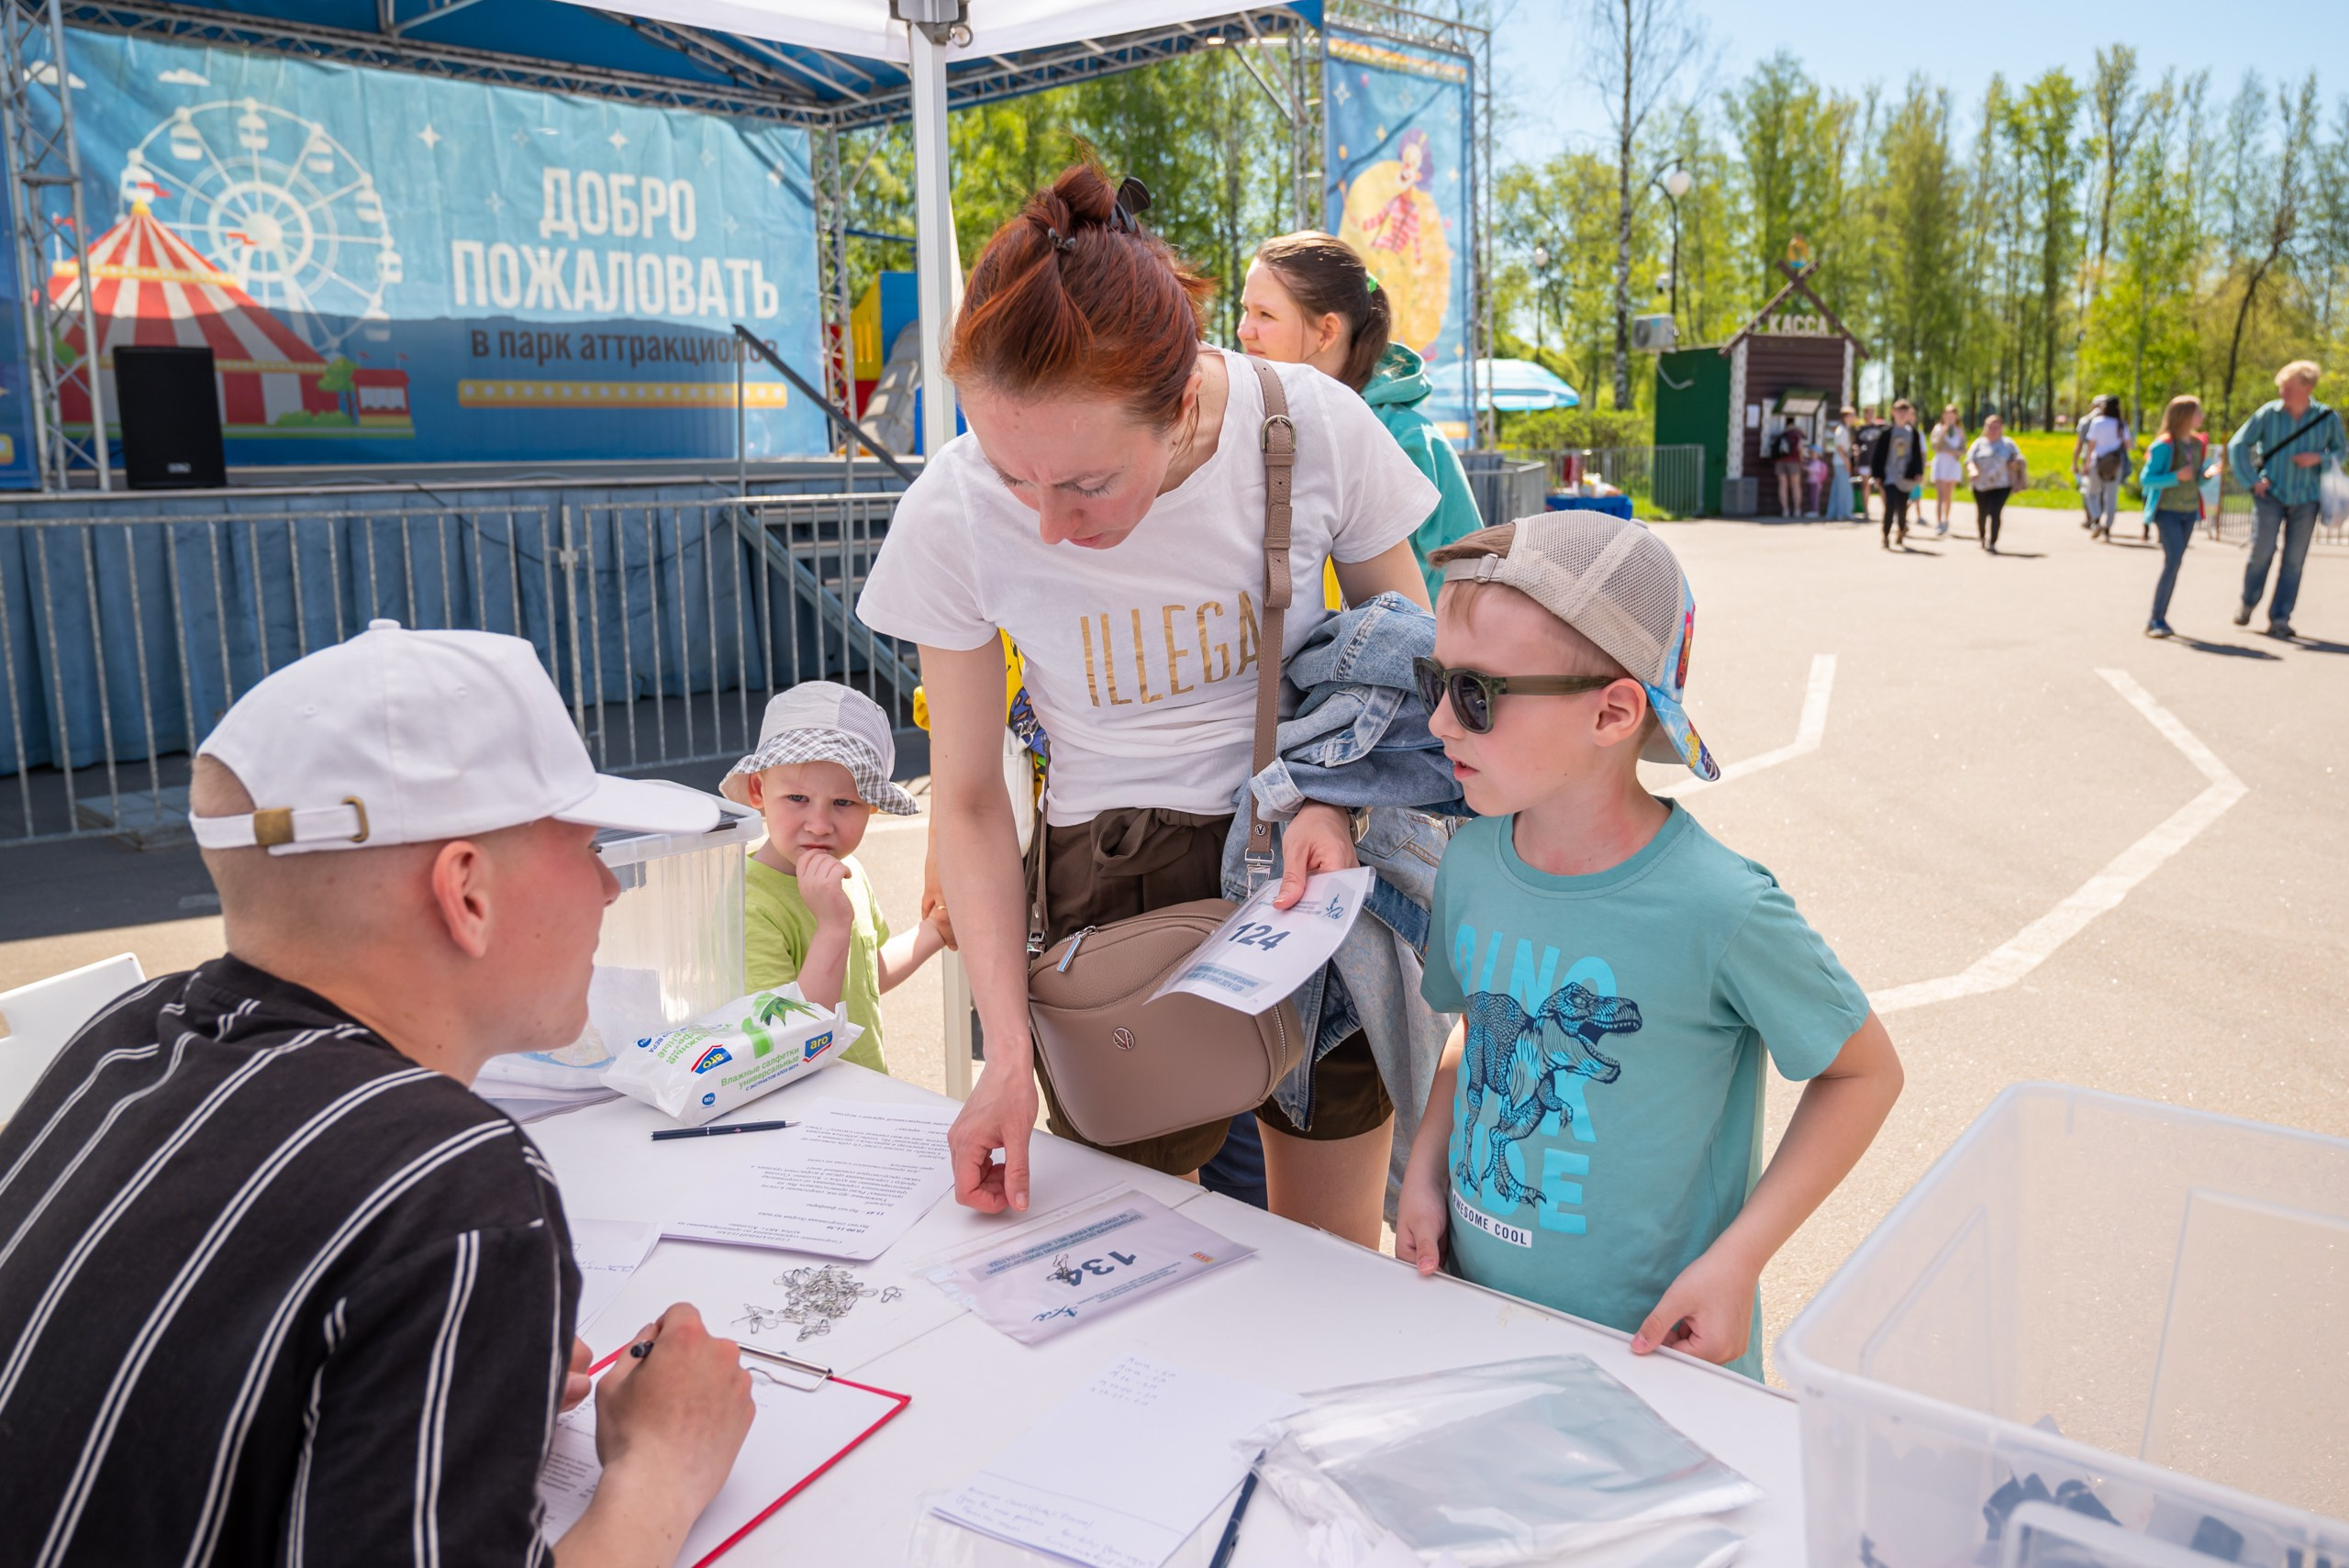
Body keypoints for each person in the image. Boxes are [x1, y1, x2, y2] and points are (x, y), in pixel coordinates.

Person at [0, 621, 755, 1565]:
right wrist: (664, 1466)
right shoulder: (456, 1190)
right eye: (586, 844)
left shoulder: (126, 1035)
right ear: (466, 893)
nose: (608, 887)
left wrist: (439, 1363)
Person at [855, 164, 1442, 1246]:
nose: (1044, 523)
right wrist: (1007, 1054)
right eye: (1010, 475)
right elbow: (974, 797)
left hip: (1318, 860)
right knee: (1114, 1254)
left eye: (1082, 483)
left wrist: (1339, 804)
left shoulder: (1307, 423)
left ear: (1177, 405)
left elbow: (1413, 675)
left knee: (1325, 1257)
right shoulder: (948, 506)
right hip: (1110, 890)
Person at [1390, 516, 1903, 1379]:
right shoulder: (1472, 858)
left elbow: (1865, 1072)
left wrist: (1740, 1259)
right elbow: (1474, 1031)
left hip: (1658, 1355)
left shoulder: (1721, 905)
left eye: (1476, 692)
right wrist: (1426, 1171)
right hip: (1481, 1321)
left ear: (1615, 711)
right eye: (1433, 678)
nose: (1440, 718)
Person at [1238, 230, 1482, 601]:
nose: (1244, 331)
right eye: (1245, 310)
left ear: (1327, 331)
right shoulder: (1249, 429)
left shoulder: (1413, 441)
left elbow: (1469, 587)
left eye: (1265, 314)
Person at [723, 681, 946, 1073]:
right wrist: (831, 925)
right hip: (802, 1114)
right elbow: (789, 1041)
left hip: (866, 1092)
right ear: (759, 790)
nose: (820, 825)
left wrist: (934, 930)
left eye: (844, 802)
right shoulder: (749, 905)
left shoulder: (849, 873)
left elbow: (865, 974)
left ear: (871, 807)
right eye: (798, 799)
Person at [2226, 359, 2346, 639]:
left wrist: (2321, 458)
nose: (2282, 392)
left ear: (2308, 387)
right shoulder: (2269, 414)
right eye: (2281, 387)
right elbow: (2237, 444)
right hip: (2271, 494)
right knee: (2262, 551)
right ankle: (2248, 601)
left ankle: (2280, 618)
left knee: (2294, 560)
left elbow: (2342, 451)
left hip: (2307, 498)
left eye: (2288, 387)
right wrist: (2252, 481)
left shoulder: (2327, 417)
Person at [2140, 395, 2210, 639]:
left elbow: (2196, 477)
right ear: (2184, 416)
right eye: (2197, 412)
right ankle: (2156, 619)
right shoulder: (2163, 445)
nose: (2201, 416)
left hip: (2189, 511)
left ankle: (2159, 618)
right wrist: (2175, 477)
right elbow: (2146, 480)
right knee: (2173, 561)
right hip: (2166, 511)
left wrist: (2207, 475)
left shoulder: (2198, 444)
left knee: (2175, 561)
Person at [2075, 394, 2134, 541]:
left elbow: (2091, 445)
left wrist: (2087, 463)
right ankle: (2108, 527)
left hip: (2097, 462)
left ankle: (2096, 519)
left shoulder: (2098, 422)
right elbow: (2129, 446)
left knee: (2092, 493)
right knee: (2111, 497)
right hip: (2115, 464)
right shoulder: (2121, 424)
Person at [1870, 399, 1926, 547]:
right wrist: (1876, 475)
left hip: (1906, 476)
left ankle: (1901, 530)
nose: (1901, 415)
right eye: (1899, 411)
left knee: (1902, 506)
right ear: (1893, 413)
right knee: (1890, 504)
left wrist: (1918, 472)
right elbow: (1878, 455)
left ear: (1909, 414)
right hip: (1890, 475)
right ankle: (1886, 535)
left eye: (1904, 412)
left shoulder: (1913, 433)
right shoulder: (1887, 433)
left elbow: (1917, 455)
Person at [1965, 412, 2024, 552]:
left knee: (1995, 511)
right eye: (1990, 427)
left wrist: (2014, 463)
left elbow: (2018, 458)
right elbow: (1969, 460)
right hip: (1980, 484)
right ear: (1985, 427)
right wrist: (1972, 470)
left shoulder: (2008, 444)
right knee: (1982, 513)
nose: (1992, 430)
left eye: (1996, 427)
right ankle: (1981, 537)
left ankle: (1993, 541)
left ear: (2001, 428)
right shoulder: (1979, 443)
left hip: (2002, 485)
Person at [1929, 404, 1966, 535]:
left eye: (1952, 415)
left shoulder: (1959, 431)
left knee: (1948, 496)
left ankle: (1946, 519)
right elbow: (1934, 446)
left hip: (1952, 464)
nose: (1950, 417)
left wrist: (1954, 452)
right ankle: (1939, 522)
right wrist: (1943, 432)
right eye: (1947, 414)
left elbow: (1963, 450)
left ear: (1956, 416)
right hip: (1940, 463)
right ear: (1943, 415)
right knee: (1939, 496)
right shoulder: (1938, 428)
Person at [1770, 417, 1807, 518]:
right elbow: (1800, 449)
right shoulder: (1797, 434)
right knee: (1795, 486)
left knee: (1782, 485)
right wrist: (1801, 461)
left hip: (1780, 461)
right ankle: (1797, 510)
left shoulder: (1782, 434)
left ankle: (1785, 510)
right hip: (1793, 461)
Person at [1826, 406, 1857, 521]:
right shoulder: (1841, 430)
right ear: (1845, 417)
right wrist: (1847, 461)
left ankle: (1833, 513)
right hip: (1841, 462)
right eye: (1851, 415)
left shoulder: (1844, 429)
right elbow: (1839, 447)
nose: (1853, 418)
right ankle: (1844, 512)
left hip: (1840, 461)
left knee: (1837, 488)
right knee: (1844, 489)